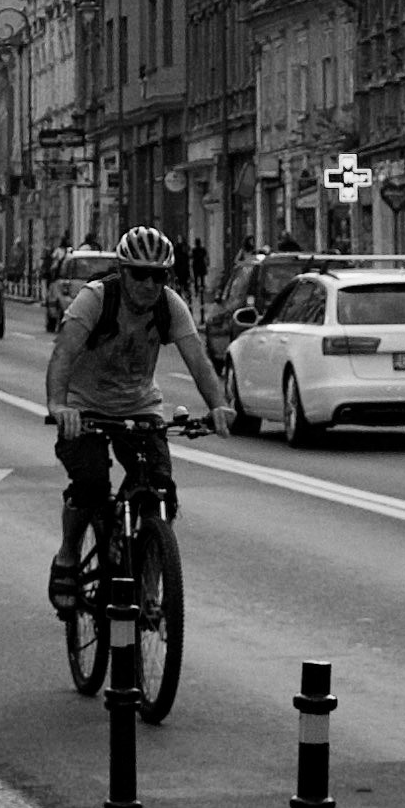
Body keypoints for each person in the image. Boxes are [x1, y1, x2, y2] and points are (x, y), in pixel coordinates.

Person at [42, 224, 238, 616]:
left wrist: (219, 405)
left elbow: (198, 359)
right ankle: (68, 555)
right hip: (85, 407)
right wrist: (59, 406)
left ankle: (148, 582)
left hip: (139, 407)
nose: (149, 284)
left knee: (160, 488)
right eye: (140, 274)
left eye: (158, 275)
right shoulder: (95, 299)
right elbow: (63, 354)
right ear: (122, 271)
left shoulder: (169, 305)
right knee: (91, 484)